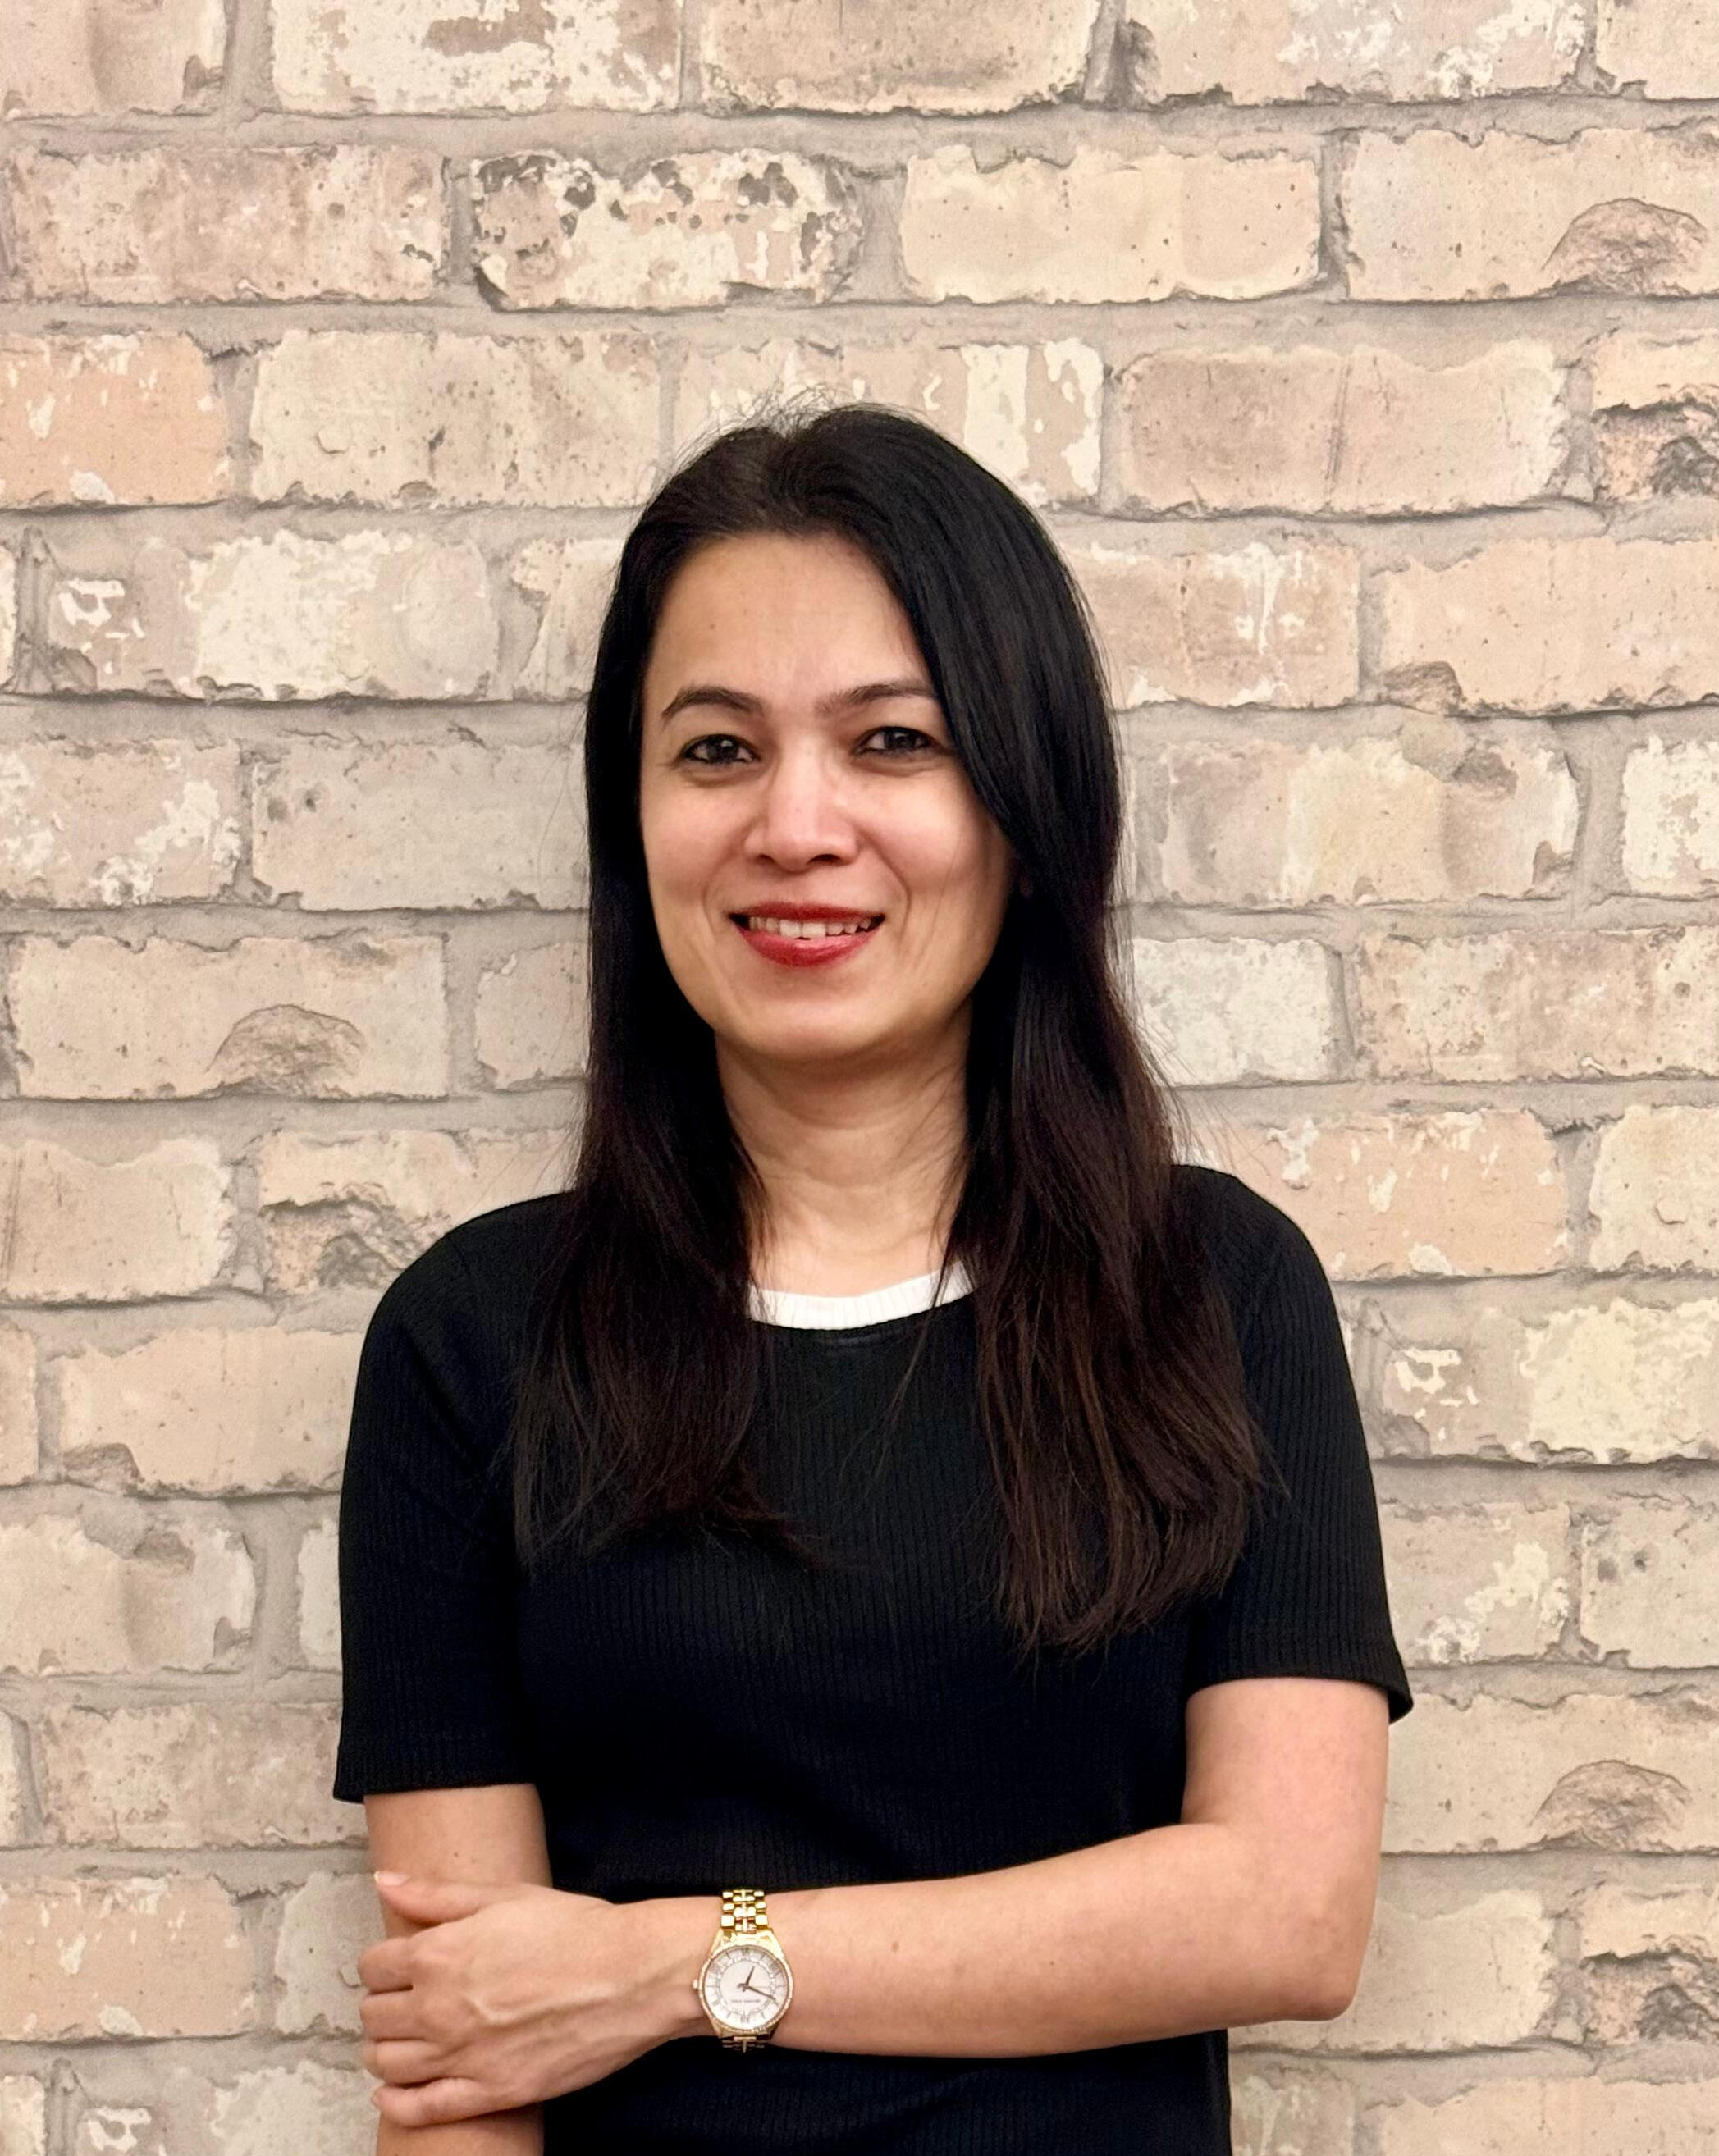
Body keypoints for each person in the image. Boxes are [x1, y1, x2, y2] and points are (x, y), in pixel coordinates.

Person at [332, 397, 1414, 2154]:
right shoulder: (473, 1342)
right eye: (716, 751)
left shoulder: (1211, 1289)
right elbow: (467, 2052)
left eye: (892, 742)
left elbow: (1286, 1914)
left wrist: (678, 1964)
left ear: (1024, 808)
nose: (796, 824)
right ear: (633, 822)